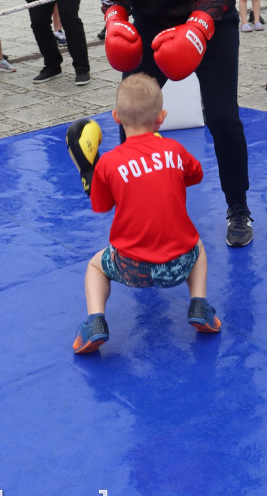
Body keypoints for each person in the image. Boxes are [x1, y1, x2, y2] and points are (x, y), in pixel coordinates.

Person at [89, 0, 252, 247]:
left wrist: (196, 29)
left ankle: (238, 207)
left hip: (209, 16)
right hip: (150, 20)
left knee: (222, 117)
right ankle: (137, 208)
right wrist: (115, 18)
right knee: (131, 116)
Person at [71, 73, 221, 354]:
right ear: (161, 118)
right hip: (179, 263)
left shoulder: (109, 163)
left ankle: (95, 320)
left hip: (131, 266)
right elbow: (196, 174)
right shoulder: (174, 149)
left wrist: (90, 174)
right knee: (198, 246)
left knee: (95, 267)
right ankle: (199, 303)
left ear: (116, 117)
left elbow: (101, 206)